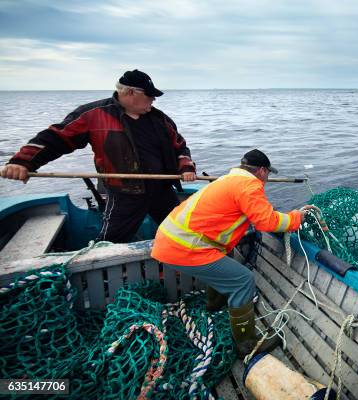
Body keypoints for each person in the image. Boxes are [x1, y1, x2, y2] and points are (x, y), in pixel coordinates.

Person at [0, 69, 198, 243]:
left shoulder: (160, 119)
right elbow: (56, 138)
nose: (153, 100)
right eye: (149, 96)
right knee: (109, 242)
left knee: (183, 234)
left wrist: (186, 167)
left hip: (162, 190)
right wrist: (22, 162)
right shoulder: (94, 114)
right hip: (125, 193)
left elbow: (179, 147)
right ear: (129, 93)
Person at [151, 149, 312, 357]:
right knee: (243, 280)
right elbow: (266, 221)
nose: (267, 178)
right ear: (262, 171)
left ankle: (214, 307)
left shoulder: (230, 180)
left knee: (225, 259)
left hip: (171, 240)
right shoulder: (249, 185)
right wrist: (296, 218)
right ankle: (247, 343)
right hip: (184, 246)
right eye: (268, 173)